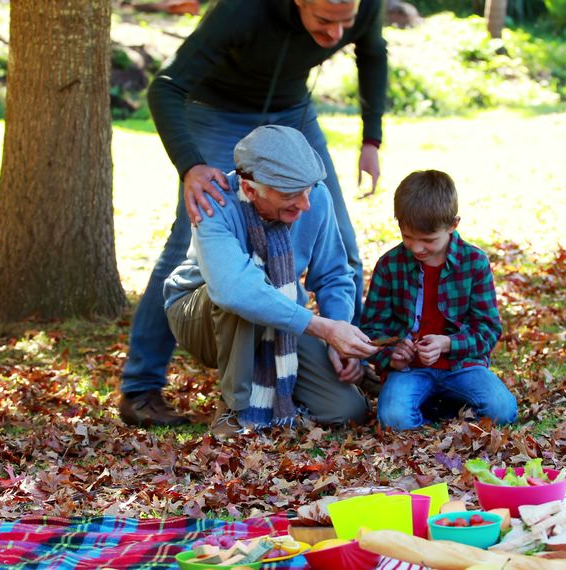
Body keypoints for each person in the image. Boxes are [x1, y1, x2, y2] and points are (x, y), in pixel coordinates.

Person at [119, 0, 388, 427]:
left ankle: (347, 355)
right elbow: (166, 86)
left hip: (290, 110)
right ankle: (142, 387)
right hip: (218, 110)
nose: (336, 35)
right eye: (323, 21)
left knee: (341, 243)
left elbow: (372, 53)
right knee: (188, 246)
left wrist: (371, 137)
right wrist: (191, 166)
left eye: (346, 23)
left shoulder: (361, 6)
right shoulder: (242, 10)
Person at [164, 125, 377, 439]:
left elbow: (334, 274)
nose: (305, 204)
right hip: (200, 314)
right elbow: (233, 290)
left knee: (345, 410)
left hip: (279, 314)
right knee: (248, 290)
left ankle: (279, 398)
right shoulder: (214, 202)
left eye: (307, 190)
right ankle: (236, 410)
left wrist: (339, 333)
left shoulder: (314, 196)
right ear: (251, 189)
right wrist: (323, 329)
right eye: (290, 195)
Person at [360, 170, 518, 430]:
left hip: (463, 366)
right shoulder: (389, 265)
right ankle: (437, 407)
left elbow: (488, 330)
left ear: (453, 225)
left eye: (428, 240)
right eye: (407, 237)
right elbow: (372, 328)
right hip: (410, 370)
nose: (417, 248)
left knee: (502, 410)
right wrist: (392, 355)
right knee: (394, 418)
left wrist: (447, 343)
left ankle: (440, 406)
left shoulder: (474, 263)